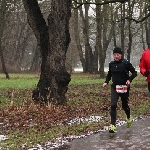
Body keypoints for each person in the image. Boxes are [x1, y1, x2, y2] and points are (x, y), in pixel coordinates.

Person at [102, 47, 137, 133]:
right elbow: (109, 74)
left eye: (118, 55)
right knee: (113, 105)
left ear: (121, 55)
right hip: (115, 87)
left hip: (124, 87)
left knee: (124, 106)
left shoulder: (125, 63)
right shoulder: (111, 64)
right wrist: (106, 82)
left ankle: (128, 117)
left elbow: (134, 72)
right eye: (114, 55)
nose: (116, 56)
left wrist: (129, 80)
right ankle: (113, 125)